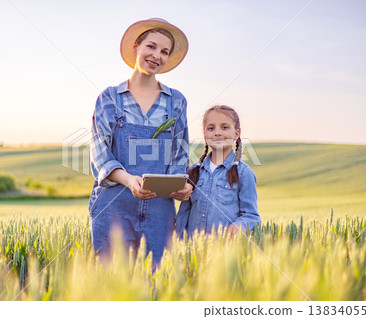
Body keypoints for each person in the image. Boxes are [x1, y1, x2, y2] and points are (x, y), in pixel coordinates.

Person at [89, 18, 193, 264]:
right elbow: (100, 153)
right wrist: (129, 180)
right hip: (114, 203)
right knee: (112, 283)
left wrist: (181, 185)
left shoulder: (176, 101)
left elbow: (180, 153)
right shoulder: (109, 97)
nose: (157, 55)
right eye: (151, 46)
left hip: (160, 207)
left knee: (157, 282)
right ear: (136, 47)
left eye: (164, 51)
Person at [175, 105, 261, 238]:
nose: (217, 132)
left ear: (236, 134)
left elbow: (252, 216)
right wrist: (177, 245)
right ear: (205, 135)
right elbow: (183, 215)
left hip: (224, 251)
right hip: (193, 252)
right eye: (211, 128)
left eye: (224, 127)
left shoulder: (244, 173)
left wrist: (239, 225)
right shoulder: (193, 172)